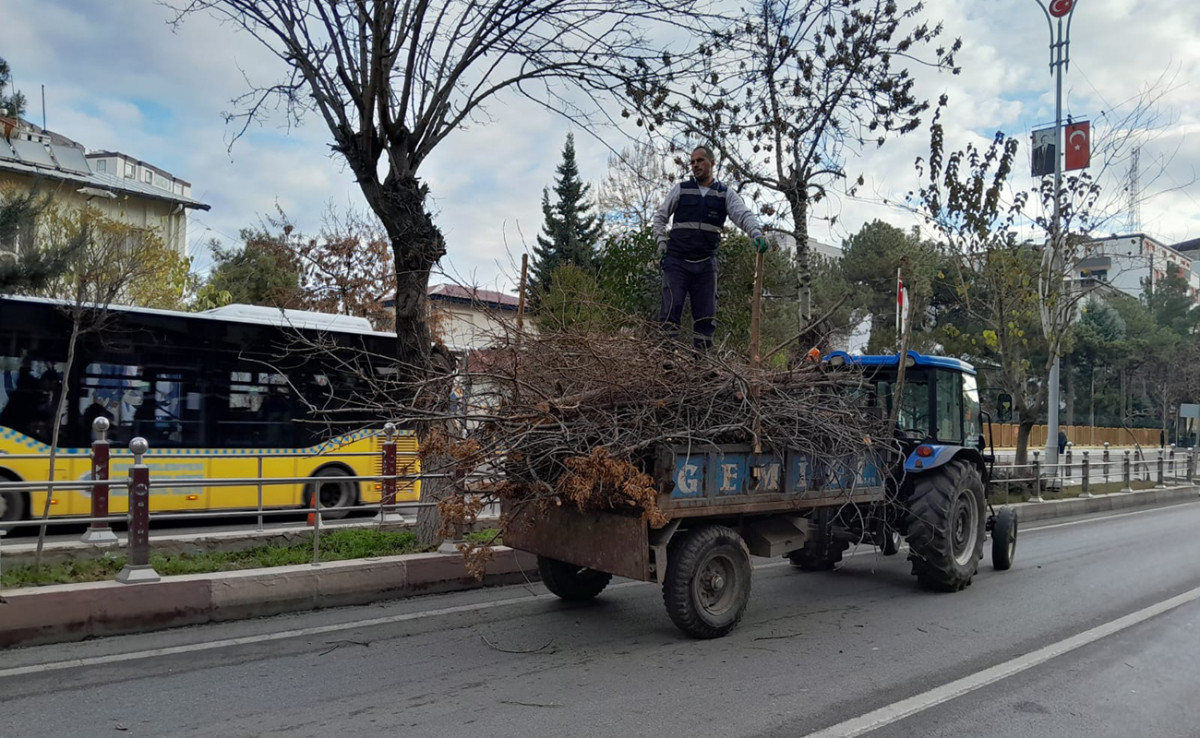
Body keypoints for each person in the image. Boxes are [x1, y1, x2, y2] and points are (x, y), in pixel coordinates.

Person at [652, 145, 768, 351]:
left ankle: (701, 364)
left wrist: (756, 233)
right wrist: (661, 241)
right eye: (692, 162)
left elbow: (743, 214)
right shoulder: (681, 189)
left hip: (705, 264)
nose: (695, 165)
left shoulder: (724, 195)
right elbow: (660, 217)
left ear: (712, 163)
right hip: (677, 261)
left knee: (706, 316)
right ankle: (665, 358)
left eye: (700, 161)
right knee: (671, 309)